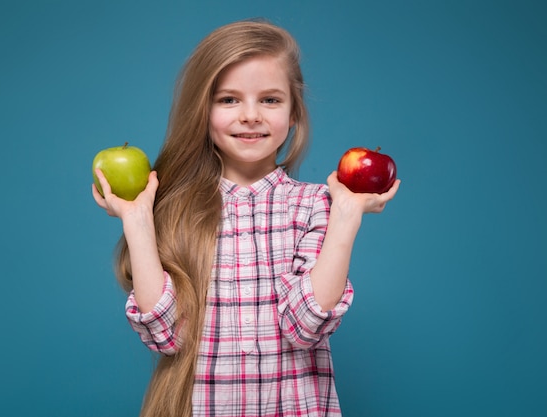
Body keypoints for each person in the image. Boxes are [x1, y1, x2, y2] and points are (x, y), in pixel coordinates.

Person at [92, 19, 400, 417]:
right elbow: (166, 335)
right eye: (228, 100)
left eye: (270, 100)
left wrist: (346, 214)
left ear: (293, 114)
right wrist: (137, 220)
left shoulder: (315, 205)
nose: (250, 115)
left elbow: (305, 326)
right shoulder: (175, 209)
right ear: (202, 112)